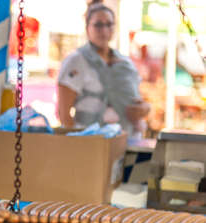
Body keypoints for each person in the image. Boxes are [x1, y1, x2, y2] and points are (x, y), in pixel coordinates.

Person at [57, 0, 150, 138]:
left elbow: (139, 100)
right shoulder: (76, 61)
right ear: (88, 27)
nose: (104, 30)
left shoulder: (125, 64)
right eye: (98, 25)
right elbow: (64, 115)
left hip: (128, 140)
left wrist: (145, 109)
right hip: (92, 144)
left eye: (109, 24)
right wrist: (77, 143)